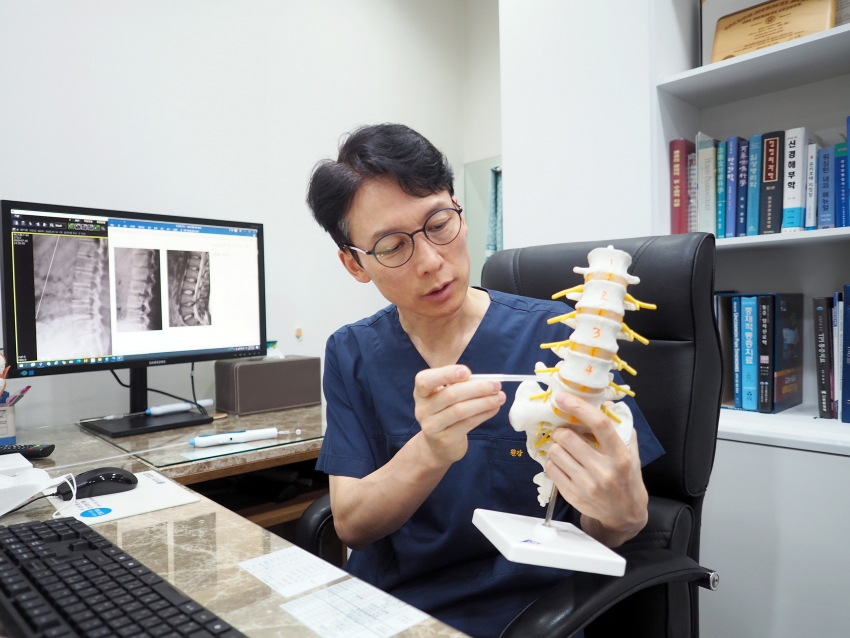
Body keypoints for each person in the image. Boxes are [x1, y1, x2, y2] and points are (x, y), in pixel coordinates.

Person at [307, 123, 665, 638]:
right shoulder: (351, 352)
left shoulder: (561, 339)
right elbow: (352, 526)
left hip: (524, 616)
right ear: (354, 264)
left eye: (439, 224)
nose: (431, 261)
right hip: (390, 611)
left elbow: (606, 527)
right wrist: (430, 450)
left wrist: (622, 516)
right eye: (391, 246)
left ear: (461, 213)